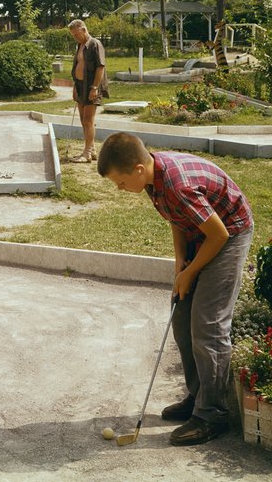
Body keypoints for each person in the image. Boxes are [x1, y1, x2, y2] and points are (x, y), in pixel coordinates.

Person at [97, 133, 254, 446]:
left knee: (208, 325)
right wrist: (181, 262)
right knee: (181, 318)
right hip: (203, 234)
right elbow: (176, 218)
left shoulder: (178, 186)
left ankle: (212, 414)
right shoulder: (153, 179)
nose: (120, 188)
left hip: (229, 234)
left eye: (120, 182)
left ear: (138, 169)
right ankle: (198, 397)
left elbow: (219, 235)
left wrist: (192, 271)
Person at [68, 19, 108, 163]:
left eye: (76, 34)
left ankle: (86, 153)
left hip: (91, 87)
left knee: (88, 120)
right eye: (73, 35)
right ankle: (92, 150)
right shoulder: (79, 45)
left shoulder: (95, 44)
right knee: (83, 121)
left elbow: (100, 67)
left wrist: (95, 87)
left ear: (84, 30)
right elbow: (78, 65)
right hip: (80, 86)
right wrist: (74, 86)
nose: (75, 37)